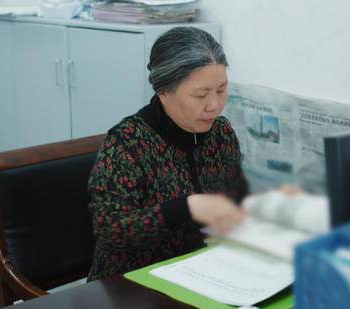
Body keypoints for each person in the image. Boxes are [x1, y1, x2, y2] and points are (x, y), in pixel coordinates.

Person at [86, 27, 248, 282]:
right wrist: (186, 206)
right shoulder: (127, 143)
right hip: (130, 285)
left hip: (201, 274)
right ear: (164, 91)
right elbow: (110, 232)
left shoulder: (221, 133)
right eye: (201, 94)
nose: (214, 105)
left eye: (221, 89)